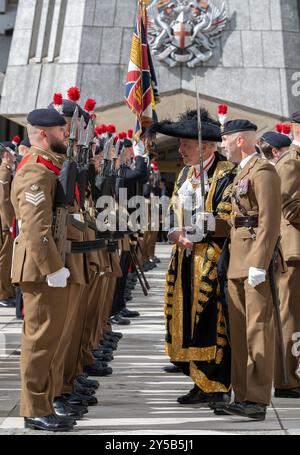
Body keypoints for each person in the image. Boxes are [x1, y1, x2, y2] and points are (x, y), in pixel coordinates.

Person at [147, 109, 235, 406]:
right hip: (184, 257)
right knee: (182, 319)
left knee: (211, 320)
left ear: (206, 147)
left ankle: (217, 386)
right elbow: (174, 208)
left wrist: (199, 231)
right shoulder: (185, 173)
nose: (181, 150)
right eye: (182, 145)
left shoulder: (226, 173)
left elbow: (227, 217)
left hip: (211, 258)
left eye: (186, 145)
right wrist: (174, 232)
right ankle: (198, 381)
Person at [11, 108, 76, 431]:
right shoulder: (35, 170)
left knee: (50, 339)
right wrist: (52, 268)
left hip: (45, 265)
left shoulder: (49, 165)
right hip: (39, 268)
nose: (65, 134)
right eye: (60, 130)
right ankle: (34, 408)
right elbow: (35, 228)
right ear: (41, 134)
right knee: (39, 340)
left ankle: (44, 403)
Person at [221, 119, 282, 421]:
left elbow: (270, 220)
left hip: (253, 261)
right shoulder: (241, 172)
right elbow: (238, 218)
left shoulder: (263, 170)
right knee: (240, 332)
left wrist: (259, 262)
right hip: (237, 261)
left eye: (226, 140)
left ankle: (257, 399)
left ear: (240, 140)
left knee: (257, 330)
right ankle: (241, 394)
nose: (223, 145)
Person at [274, 111, 300, 397]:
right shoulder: (291, 161)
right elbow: (288, 206)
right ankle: (285, 380)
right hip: (293, 251)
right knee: (289, 317)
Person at [0, 141, 17, 307]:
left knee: (9, 258)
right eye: (12, 154)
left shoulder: (8, 171)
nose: (14, 157)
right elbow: (4, 200)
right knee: (4, 259)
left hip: (8, 221)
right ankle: (2, 293)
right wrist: (9, 223)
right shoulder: (4, 172)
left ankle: (8, 291)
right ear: (6, 155)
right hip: (5, 223)